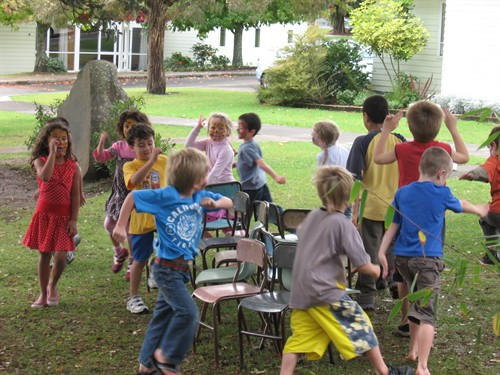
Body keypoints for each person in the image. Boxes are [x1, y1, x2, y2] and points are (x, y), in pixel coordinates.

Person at [279, 165, 413, 375]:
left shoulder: (312, 217)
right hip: (325, 292)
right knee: (361, 325)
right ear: (351, 197)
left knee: (299, 339)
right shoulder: (342, 224)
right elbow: (362, 264)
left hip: (301, 291)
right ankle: (384, 372)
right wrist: (377, 271)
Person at [113, 148, 233, 375]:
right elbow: (132, 197)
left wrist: (215, 204)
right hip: (166, 269)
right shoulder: (165, 196)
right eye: (205, 175)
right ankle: (167, 358)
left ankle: (145, 365)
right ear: (194, 178)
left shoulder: (200, 196)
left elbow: (228, 201)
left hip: (181, 270)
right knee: (188, 313)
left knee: (161, 318)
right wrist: (120, 225)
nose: (207, 179)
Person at [378, 147, 487, 375]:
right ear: (441, 173)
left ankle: (413, 350)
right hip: (428, 262)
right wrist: (479, 210)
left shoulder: (403, 193)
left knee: (415, 301)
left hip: (403, 260)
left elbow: (394, 225)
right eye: (446, 176)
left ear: (420, 168)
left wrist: (381, 252)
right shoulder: (441, 192)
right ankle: (423, 366)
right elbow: (462, 204)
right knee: (427, 313)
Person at [373, 102, 469, 336]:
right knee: (429, 266)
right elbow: (465, 157)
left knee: (403, 269)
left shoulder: (403, 149)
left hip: (406, 216)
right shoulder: (443, 148)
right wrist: (453, 127)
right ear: (437, 127)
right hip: (433, 218)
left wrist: (386, 130)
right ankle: (424, 315)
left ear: (409, 125)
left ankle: (407, 320)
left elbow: (378, 158)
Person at [346, 95, 406, 310]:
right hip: (396, 207)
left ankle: (366, 295)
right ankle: (391, 281)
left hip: (371, 207)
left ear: (366, 117)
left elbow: (354, 177)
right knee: (390, 247)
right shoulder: (400, 139)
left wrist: (353, 211)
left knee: (369, 250)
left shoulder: (362, 142)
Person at [23, 118, 81, 308]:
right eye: (55, 139)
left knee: (62, 257)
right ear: (46, 142)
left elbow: (74, 196)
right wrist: (51, 155)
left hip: (64, 217)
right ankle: (42, 294)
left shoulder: (74, 166)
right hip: (45, 216)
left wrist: (73, 220)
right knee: (45, 254)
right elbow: (45, 177)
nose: (60, 142)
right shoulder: (40, 162)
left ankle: (52, 286)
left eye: (64, 139)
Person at [93, 110, 151, 278]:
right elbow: (101, 157)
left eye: (132, 125)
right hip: (119, 193)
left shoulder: (142, 146)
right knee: (108, 224)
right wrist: (101, 143)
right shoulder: (119, 146)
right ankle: (119, 251)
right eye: (126, 126)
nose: (128, 129)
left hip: (134, 193)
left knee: (130, 230)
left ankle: (133, 262)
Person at [123, 124, 168, 314]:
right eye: (141, 145)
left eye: (150, 143)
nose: (148, 148)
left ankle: (164, 287)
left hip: (163, 217)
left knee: (168, 254)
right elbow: (133, 183)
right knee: (139, 260)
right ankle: (133, 297)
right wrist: (150, 162)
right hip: (141, 220)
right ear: (132, 148)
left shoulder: (165, 161)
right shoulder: (130, 166)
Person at [460, 125, 500, 264]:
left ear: (493, 144)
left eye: (489, 147)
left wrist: (472, 174)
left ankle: (491, 254)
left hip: (497, 211)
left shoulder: (495, 160)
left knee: (485, 217)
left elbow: (485, 170)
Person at [236, 112, 285, 207]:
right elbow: (249, 162)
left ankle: (243, 222)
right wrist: (236, 164)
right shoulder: (252, 143)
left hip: (251, 187)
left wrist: (276, 177)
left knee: (245, 211)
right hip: (259, 182)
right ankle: (284, 218)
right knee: (270, 207)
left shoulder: (247, 147)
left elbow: (261, 163)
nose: (237, 129)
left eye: (241, 128)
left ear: (252, 132)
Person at [185, 112, 235, 185]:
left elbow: (214, 174)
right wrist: (198, 127)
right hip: (213, 184)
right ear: (208, 128)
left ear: (227, 131)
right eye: (213, 127)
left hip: (225, 186)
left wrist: (201, 188)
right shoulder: (208, 142)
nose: (216, 131)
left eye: (220, 128)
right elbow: (189, 146)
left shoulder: (226, 150)